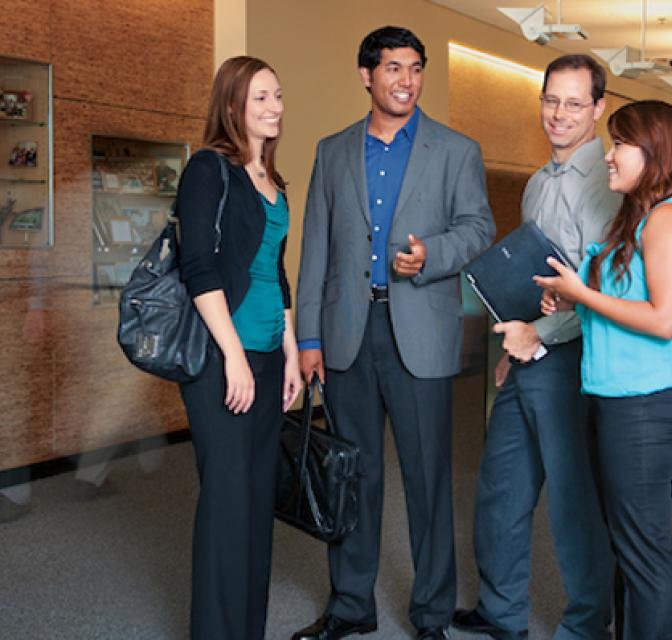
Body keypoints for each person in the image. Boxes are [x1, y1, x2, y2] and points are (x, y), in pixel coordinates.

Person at [293, 26, 495, 640]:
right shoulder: (331, 152)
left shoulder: (455, 150)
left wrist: (430, 254)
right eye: (393, 69)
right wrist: (307, 339)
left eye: (415, 68)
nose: (406, 80)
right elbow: (316, 250)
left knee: (429, 481)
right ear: (367, 76)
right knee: (352, 475)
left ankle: (431, 615)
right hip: (348, 332)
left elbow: (479, 229)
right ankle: (351, 604)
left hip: (421, 332)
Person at [452, 55, 617, 640]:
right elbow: (536, 279)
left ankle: (586, 624)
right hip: (525, 355)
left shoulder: (606, 182)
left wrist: (537, 337)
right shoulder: (536, 183)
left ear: (599, 108)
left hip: (571, 359)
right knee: (501, 488)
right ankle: (501, 611)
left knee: (573, 504)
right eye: (551, 100)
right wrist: (511, 344)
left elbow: (596, 289)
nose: (559, 114)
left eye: (575, 103)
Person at [536, 100, 672, 640]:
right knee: (625, 548)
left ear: (652, 151)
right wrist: (571, 302)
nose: (609, 156)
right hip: (613, 400)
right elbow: (618, 305)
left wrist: (582, 292)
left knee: (646, 552)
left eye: (619, 145)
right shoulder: (638, 217)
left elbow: (662, 319)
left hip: (645, 407)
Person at [177, 56, 302, 640]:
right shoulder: (208, 170)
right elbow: (198, 267)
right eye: (260, 98)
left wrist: (292, 351)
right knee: (227, 502)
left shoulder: (274, 183)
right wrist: (232, 356)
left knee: (256, 504)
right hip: (220, 360)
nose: (274, 106)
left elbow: (276, 275)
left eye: (277, 95)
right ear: (232, 106)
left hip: (268, 359)